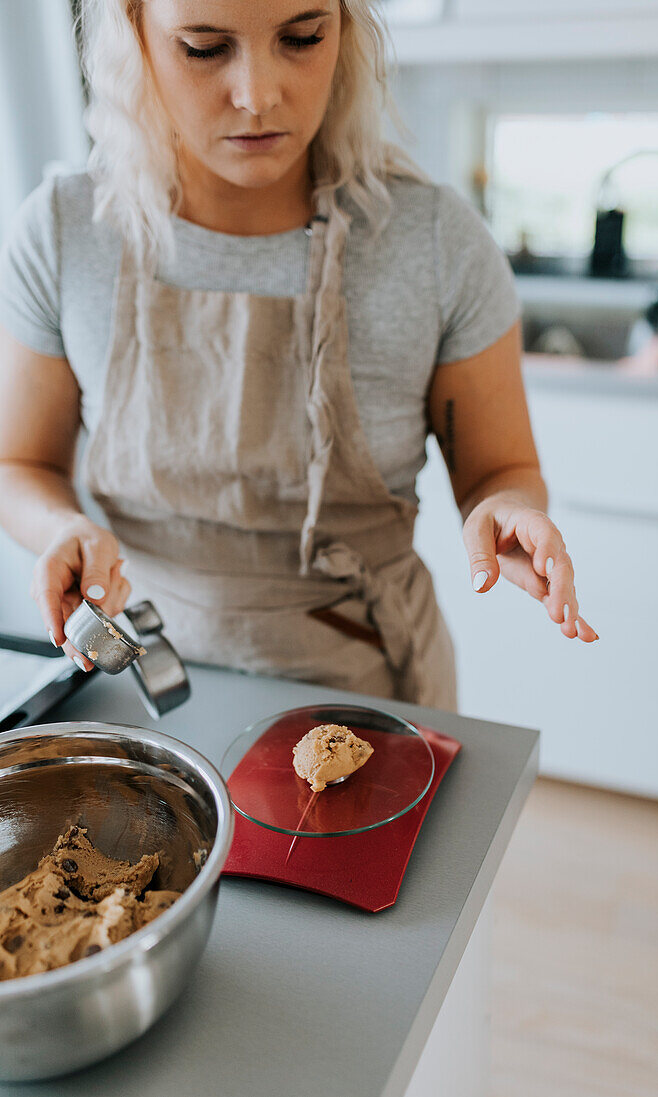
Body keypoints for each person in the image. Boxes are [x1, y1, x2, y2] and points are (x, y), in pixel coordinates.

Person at [0, 0, 597, 713]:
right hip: (137, 673)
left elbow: (500, 470)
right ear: (134, 39)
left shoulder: (436, 244)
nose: (257, 94)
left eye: (302, 37)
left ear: (345, 31)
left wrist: (505, 508)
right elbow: (20, 463)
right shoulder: (65, 231)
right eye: (203, 48)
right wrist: (62, 528)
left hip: (361, 680)